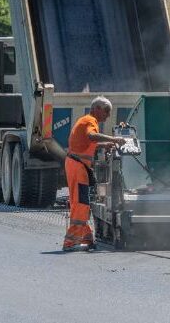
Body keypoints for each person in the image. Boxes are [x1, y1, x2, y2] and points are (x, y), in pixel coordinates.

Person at [62, 96, 126, 252]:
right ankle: (71, 242)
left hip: (76, 165)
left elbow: (89, 142)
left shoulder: (85, 120)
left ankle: (86, 238)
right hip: (77, 166)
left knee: (81, 202)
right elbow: (91, 136)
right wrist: (114, 139)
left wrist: (106, 144)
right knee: (80, 204)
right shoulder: (90, 121)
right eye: (107, 111)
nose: (108, 115)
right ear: (97, 108)